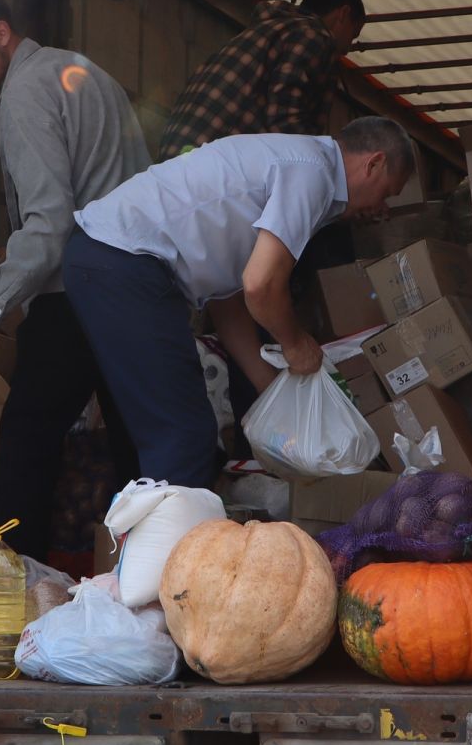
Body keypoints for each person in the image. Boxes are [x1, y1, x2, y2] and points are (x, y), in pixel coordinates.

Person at [61, 117, 416, 490]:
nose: (380, 209)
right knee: (185, 435)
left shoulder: (299, 164)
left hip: (106, 259)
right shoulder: (312, 173)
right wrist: (297, 345)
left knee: (162, 432)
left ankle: (146, 540)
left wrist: (269, 386)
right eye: (386, 193)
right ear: (373, 163)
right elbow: (260, 285)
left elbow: (228, 295)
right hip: (124, 261)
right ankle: (178, 547)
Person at [0, 0, 150, 562]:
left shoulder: (26, 90)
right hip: (136, 283)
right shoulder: (85, 73)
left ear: (0, 34)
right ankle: (155, 582)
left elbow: (50, 220)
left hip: (78, 286)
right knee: (139, 446)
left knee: (28, 434)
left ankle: (8, 570)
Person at [157, 0, 366, 159]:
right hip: (213, 164)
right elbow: (285, 117)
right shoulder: (312, 36)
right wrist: (321, 169)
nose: (347, 49)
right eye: (353, 34)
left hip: (179, 155)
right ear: (343, 14)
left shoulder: (267, 29)